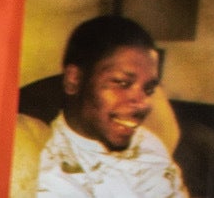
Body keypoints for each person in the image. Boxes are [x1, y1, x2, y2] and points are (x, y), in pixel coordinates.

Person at [29, 16, 187, 198]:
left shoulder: (148, 142)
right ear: (74, 80)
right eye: (122, 83)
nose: (143, 104)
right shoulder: (53, 174)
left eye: (149, 89)